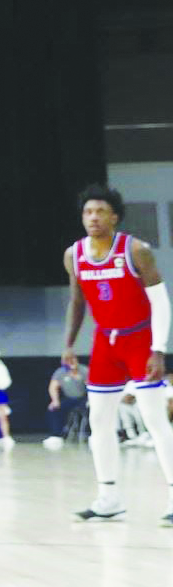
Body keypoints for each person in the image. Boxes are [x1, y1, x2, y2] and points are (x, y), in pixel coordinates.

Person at [63, 185, 173, 522]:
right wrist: (69, 344)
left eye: (100, 212)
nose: (93, 217)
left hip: (139, 339)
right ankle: (108, 497)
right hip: (104, 343)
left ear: (114, 217)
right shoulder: (74, 255)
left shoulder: (136, 250)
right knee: (99, 420)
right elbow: (78, 302)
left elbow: (160, 302)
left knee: (155, 420)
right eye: (87, 212)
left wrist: (158, 349)